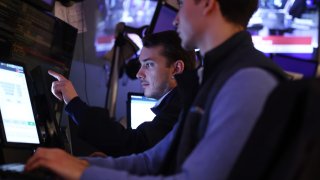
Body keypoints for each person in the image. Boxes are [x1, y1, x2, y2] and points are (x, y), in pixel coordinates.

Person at [25, 0, 287, 179]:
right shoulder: (212, 77)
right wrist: (77, 163)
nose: (176, 20)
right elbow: (151, 161)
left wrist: (83, 173)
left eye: (183, 4)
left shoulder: (248, 81)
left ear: (207, 4)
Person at [48, 30, 196, 157]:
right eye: (141, 64)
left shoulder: (182, 109)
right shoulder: (183, 101)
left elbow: (135, 145)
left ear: (176, 69)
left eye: (149, 64)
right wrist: (120, 162)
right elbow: (148, 157)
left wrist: (74, 103)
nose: (139, 74)